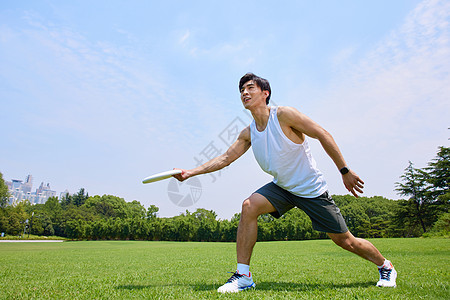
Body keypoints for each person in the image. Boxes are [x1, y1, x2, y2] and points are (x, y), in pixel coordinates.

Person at [173, 73, 397, 293]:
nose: (244, 92)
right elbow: (225, 158)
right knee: (248, 206)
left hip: (310, 189)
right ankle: (243, 276)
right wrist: (190, 172)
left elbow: (322, 133)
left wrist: (344, 170)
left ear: (265, 93)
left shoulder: (284, 115)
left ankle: (385, 266)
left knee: (345, 241)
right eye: (241, 90)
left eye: (250, 87)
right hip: (282, 187)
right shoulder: (248, 133)